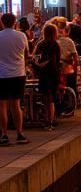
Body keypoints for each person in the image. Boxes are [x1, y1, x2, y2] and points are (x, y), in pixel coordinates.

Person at [0, 12, 31, 145]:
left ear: (2, 22)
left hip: (2, 74)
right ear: (15, 22)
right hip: (19, 74)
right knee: (16, 104)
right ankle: (19, 133)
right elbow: (27, 54)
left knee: (2, 106)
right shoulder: (21, 36)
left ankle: (4, 134)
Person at [32, 24, 62, 129]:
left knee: (45, 97)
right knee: (51, 98)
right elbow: (58, 60)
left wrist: (39, 65)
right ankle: (51, 120)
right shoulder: (55, 44)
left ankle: (46, 119)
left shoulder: (40, 44)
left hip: (43, 73)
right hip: (53, 73)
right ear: (54, 33)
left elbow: (35, 58)